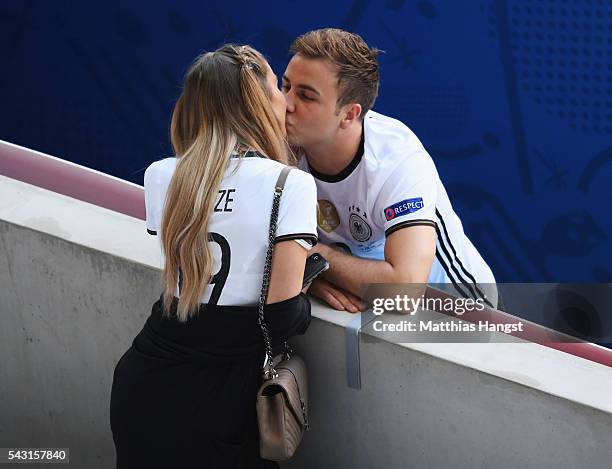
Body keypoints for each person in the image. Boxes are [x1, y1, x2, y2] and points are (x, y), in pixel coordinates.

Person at [110, 44, 318, 469]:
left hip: (144, 379)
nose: (284, 99)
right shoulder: (289, 183)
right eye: (276, 87)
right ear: (257, 103)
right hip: (226, 397)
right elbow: (282, 315)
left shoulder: (161, 174)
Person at [281, 28, 497, 313]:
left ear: (349, 114)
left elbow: (404, 292)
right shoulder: (277, 141)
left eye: (306, 96)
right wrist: (312, 273)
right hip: (365, 299)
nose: (285, 104)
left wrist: (319, 257)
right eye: (285, 87)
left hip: (459, 308)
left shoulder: (396, 160)